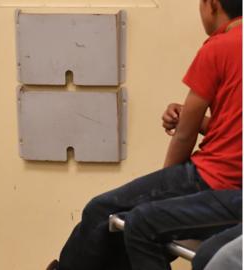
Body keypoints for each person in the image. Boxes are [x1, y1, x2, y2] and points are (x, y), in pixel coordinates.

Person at [47, 0, 242, 269]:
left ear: (212, 5)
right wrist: (202, 122)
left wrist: (165, 183)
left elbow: (183, 134)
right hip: (234, 187)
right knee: (120, 230)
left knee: (99, 211)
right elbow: (232, 130)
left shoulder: (219, 47)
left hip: (214, 178)